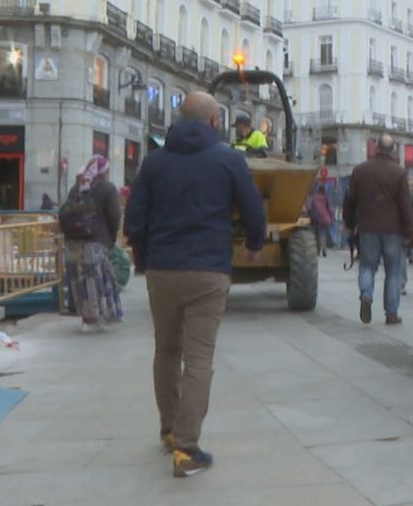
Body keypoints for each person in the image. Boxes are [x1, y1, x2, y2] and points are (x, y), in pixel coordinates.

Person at [126, 91, 265, 478]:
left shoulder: (154, 162)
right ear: (213, 122)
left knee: (166, 351)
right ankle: (187, 449)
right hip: (207, 270)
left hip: (162, 270)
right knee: (198, 358)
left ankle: (169, 428)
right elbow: (253, 209)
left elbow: (135, 217)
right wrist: (254, 243)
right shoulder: (228, 159)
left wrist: (144, 259)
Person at [343, 134, 413, 325]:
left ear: (376, 148)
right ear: (392, 150)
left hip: (367, 228)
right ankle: (391, 313)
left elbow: (350, 200)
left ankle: (366, 294)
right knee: (393, 271)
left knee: (367, 266)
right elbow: (405, 205)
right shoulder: (399, 173)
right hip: (393, 230)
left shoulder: (360, 171)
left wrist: (349, 224)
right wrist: (409, 231)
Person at [61, 156, 124, 331]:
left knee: (79, 281)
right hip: (96, 243)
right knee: (97, 281)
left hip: (73, 244)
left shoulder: (77, 188)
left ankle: (85, 318)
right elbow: (114, 216)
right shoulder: (107, 188)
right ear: (104, 171)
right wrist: (111, 239)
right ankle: (99, 318)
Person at [307, 184, 333, 257]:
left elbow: (309, 206)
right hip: (324, 219)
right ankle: (324, 250)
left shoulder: (313, 197)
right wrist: (331, 218)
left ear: (317, 189)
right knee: (323, 235)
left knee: (315, 235)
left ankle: (317, 251)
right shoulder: (325, 198)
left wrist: (308, 214)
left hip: (315, 219)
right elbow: (329, 209)